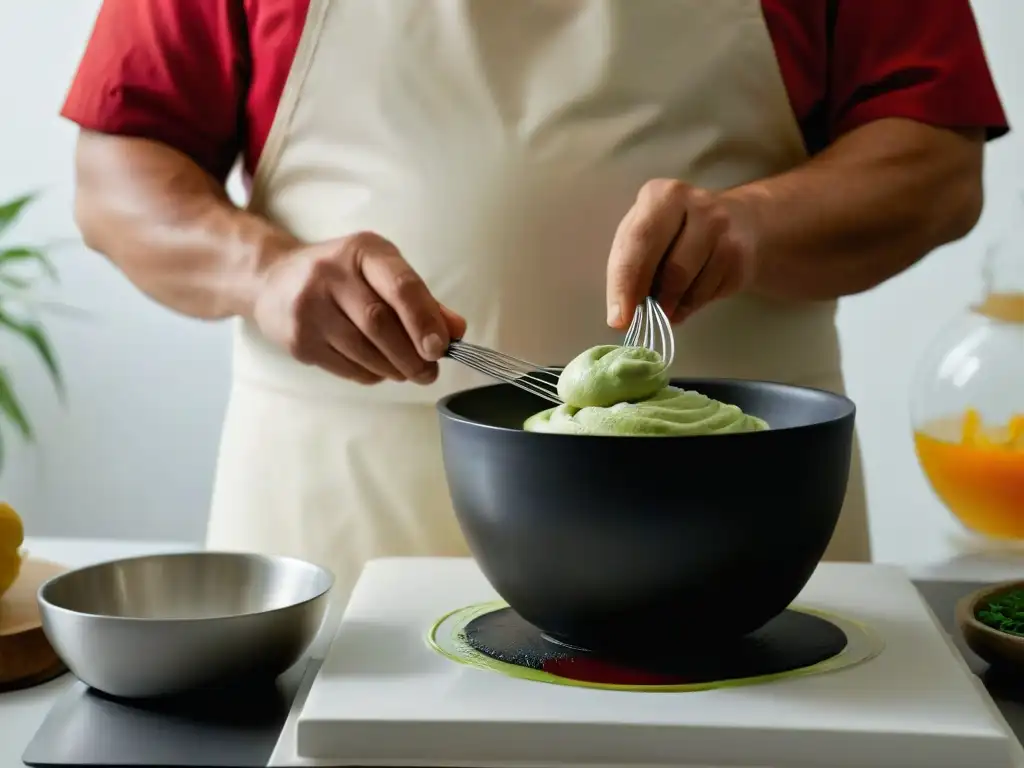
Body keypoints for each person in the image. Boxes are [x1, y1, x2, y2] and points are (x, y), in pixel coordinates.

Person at [62, 0, 1008, 603]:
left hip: (739, 539)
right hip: (342, 522)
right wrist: (259, 271)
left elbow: (934, 164)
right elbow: (115, 170)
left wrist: (756, 223)